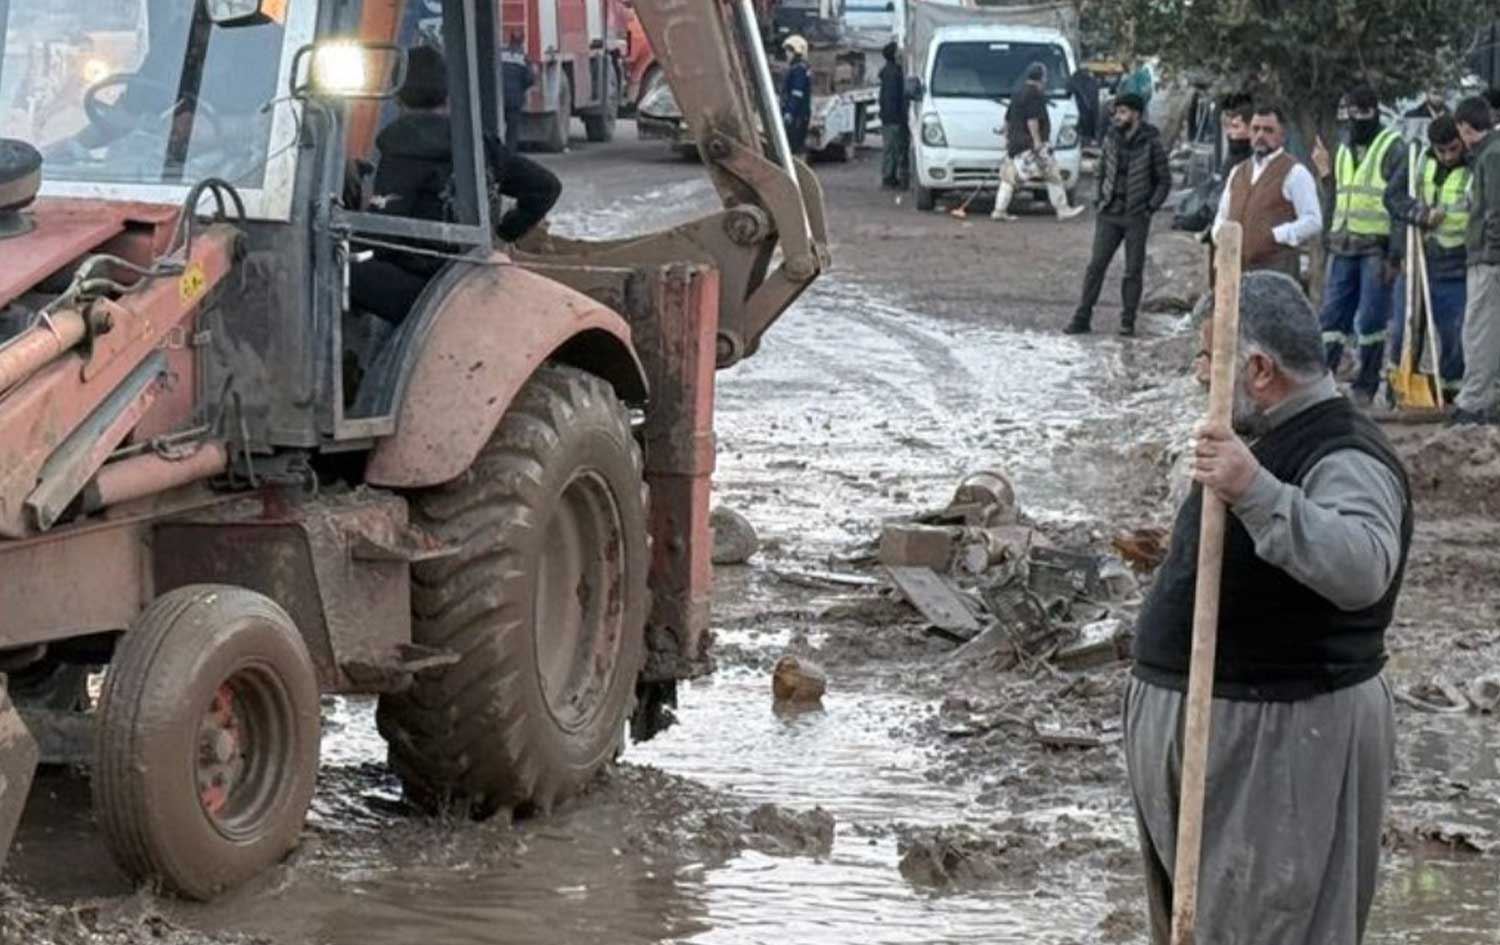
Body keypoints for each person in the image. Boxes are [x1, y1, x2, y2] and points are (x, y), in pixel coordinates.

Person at [1128, 270, 1410, 945]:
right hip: (1222, 732)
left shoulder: (1344, 452)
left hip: (1281, 740)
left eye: (1206, 357)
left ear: (1257, 368)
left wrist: (1255, 488)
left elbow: (1363, 563)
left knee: (1275, 928)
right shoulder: (1258, 438)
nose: (1199, 376)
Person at [349, 45, 562, 324]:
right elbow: (546, 186)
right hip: (470, 275)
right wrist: (506, 231)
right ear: (449, 96)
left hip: (425, 293)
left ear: (397, 96)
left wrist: (351, 230)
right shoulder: (478, 144)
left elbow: (382, 239)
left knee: (340, 270)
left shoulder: (401, 149)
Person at [1311, 84, 1407, 405]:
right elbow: (1338, 196)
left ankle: (1366, 385)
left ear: (1375, 112)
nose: (1357, 121)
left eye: (1363, 114)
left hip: (1375, 247)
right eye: (1352, 114)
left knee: (1370, 320)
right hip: (1343, 245)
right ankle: (1323, 381)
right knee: (1332, 318)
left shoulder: (1392, 147)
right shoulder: (1343, 146)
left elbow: (1398, 203)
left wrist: (1396, 253)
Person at [1065, 93, 1170, 337]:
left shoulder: (1151, 141)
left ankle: (1127, 321)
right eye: (1117, 112)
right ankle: (1082, 317)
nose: (1118, 117)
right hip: (1109, 213)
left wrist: (1149, 207)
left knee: (1133, 270)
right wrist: (1099, 199)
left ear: (1135, 114)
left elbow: (1163, 181)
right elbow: (1100, 170)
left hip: (1136, 215)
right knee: (1095, 267)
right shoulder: (1111, 138)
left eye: (1123, 112)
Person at [1383, 114, 1470, 399]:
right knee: (1403, 331)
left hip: (1457, 266)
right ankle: (1398, 389)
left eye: (1452, 149)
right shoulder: (1418, 160)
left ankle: (1449, 393)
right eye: (1440, 150)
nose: (1446, 156)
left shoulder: (1474, 166)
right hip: (1418, 261)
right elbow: (1393, 197)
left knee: (1453, 335)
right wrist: (1420, 214)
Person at [1212, 102, 1322, 279]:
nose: (1260, 135)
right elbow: (1223, 214)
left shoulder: (1295, 173)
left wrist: (1277, 235)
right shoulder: (1238, 171)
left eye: (1268, 130)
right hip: (1235, 269)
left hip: (1275, 271)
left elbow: (1313, 220)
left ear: (1282, 135)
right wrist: (1219, 235)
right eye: (1255, 129)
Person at [1451, 96, 1500, 424]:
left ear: (1467, 129)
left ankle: (1473, 402)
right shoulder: (1489, 155)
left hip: (1488, 259)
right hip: (1486, 256)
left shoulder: (1492, 157)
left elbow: (1495, 210)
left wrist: (1493, 252)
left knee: (1479, 330)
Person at [991, 62, 1085, 222]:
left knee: (1011, 176)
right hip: (1031, 144)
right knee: (1052, 173)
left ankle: (999, 209)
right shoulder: (1034, 95)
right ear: (1041, 78)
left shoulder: (1017, 92)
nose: (1046, 81)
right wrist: (1037, 142)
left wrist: (1005, 133)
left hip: (1016, 142)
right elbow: (1032, 119)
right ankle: (1062, 209)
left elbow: (1008, 117)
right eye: (1045, 77)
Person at [878, 41, 908, 189]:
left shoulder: (890, 71)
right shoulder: (893, 73)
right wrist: (899, 117)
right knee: (892, 147)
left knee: (892, 147)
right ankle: (888, 177)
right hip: (893, 117)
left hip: (889, 116)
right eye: (898, 51)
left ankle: (890, 176)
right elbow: (892, 98)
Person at [500, 32, 534, 152]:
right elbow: (530, 79)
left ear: (510, 40)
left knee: (494, 125)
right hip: (514, 100)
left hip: (498, 98)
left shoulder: (500, 54)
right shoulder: (524, 59)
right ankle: (509, 153)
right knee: (512, 129)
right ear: (522, 42)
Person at [781, 35, 812, 157]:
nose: (786, 54)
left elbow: (796, 94)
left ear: (797, 52)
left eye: (789, 51)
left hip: (797, 116)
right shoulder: (798, 68)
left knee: (794, 147)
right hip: (799, 115)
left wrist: (789, 112)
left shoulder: (799, 70)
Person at [1067, 66, 1101, 148]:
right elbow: (1094, 106)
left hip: (1078, 117)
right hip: (1087, 119)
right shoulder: (1092, 82)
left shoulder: (1073, 80)